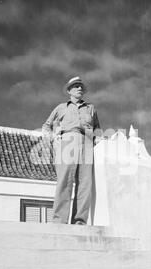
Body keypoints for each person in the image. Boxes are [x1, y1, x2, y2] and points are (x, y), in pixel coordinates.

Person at [42, 76, 101, 225]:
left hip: (87, 143)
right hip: (67, 141)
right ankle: (59, 221)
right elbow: (46, 125)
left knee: (85, 184)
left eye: (81, 86)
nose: (79, 88)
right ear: (69, 90)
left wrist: (97, 141)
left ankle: (79, 221)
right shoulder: (61, 107)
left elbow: (98, 130)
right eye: (76, 86)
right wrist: (53, 139)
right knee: (64, 182)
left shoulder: (91, 108)